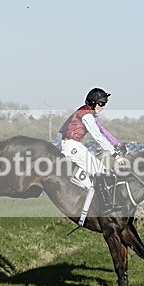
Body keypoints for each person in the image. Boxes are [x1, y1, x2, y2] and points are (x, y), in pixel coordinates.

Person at [55, 87, 126, 215]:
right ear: (93, 102)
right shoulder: (87, 115)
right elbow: (98, 136)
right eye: (101, 103)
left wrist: (117, 145)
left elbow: (103, 132)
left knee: (103, 170)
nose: (103, 107)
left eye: (104, 104)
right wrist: (115, 154)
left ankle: (104, 202)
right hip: (71, 146)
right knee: (98, 171)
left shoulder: (86, 112)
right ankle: (104, 206)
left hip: (73, 145)